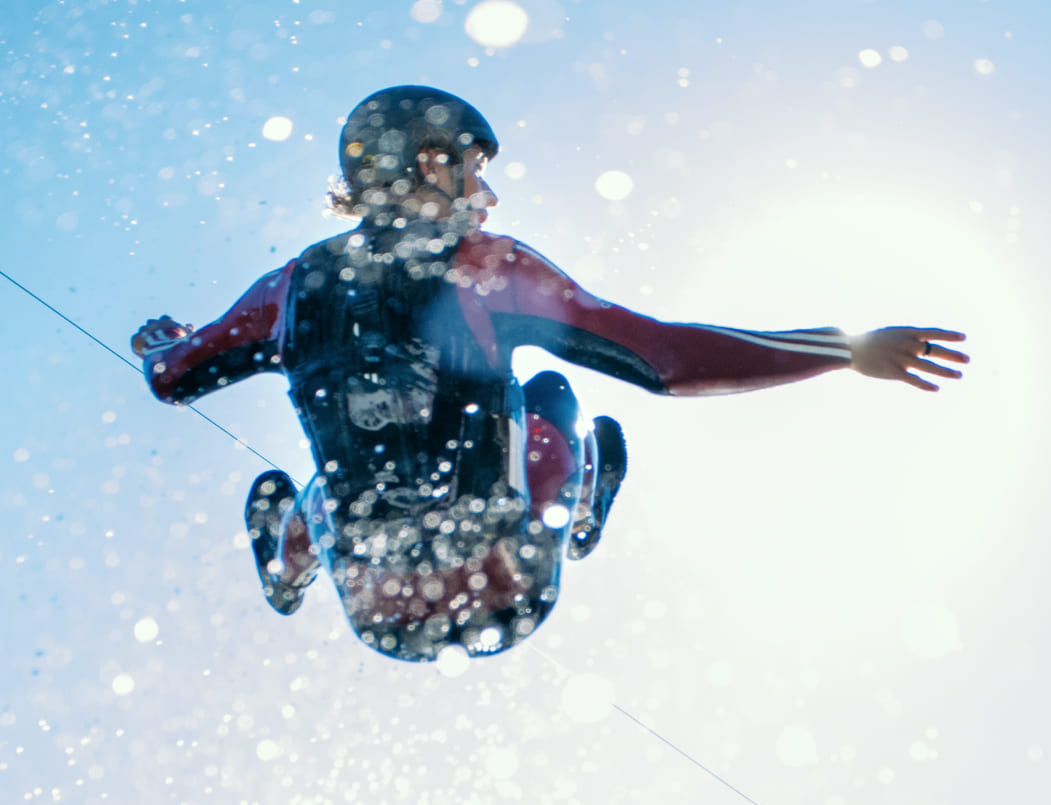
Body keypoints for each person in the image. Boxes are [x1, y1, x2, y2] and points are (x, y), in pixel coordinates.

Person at [132, 86, 967, 665]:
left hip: (378, 610)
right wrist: (842, 348)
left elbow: (173, 378)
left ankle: (287, 566)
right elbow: (665, 359)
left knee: (352, 465)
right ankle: (571, 513)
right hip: (504, 588)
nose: (486, 193)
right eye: (473, 167)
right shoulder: (485, 270)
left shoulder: (287, 290)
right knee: (552, 399)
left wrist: (164, 342)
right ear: (427, 165)